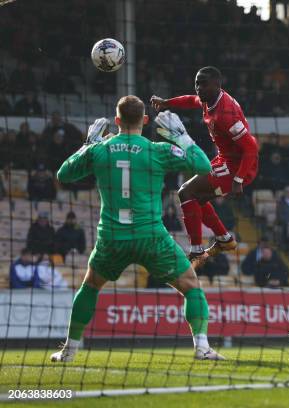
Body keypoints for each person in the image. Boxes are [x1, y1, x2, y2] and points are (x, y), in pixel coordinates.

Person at [50, 95, 224, 362]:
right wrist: (182, 137)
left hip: (112, 238)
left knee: (90, 287)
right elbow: (203, 167)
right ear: (145, 120)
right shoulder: (158, 151)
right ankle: (202, 347)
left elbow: (63, 175)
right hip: (151, 237)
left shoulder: (101, 150)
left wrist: (88, 144)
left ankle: (69, 351)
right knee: (191, 285)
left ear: (117, 120)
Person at [150, 66, 259, 265]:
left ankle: (197, 251)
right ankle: (224, 240)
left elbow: (251, 148)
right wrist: (167, 103)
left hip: (237, 166)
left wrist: (238, 180)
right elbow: (192, 100)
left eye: (203, 84)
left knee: (185, 192)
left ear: (217, 85)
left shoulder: (227, 115)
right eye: (197, 84)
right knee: (194, 199)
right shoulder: (209, 99)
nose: (198, 88)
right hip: (224, 159)